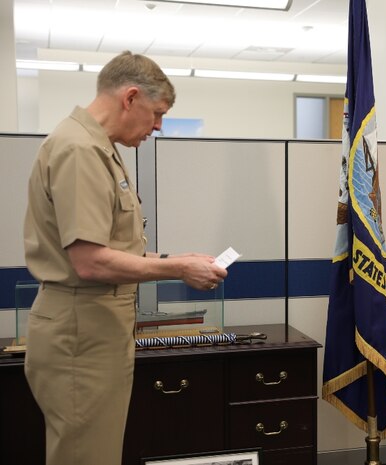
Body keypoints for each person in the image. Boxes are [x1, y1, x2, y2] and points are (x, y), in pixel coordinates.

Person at [22, 51, 228, 465]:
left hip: (96, 329)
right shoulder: (80, 150)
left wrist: (176, 257)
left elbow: (108, 247)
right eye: (157, 113)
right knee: (86, 457)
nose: (158, 126)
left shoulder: (101, 149)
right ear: (130, 97)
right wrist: (176, 269)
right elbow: (90, 262)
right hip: (82, 333)